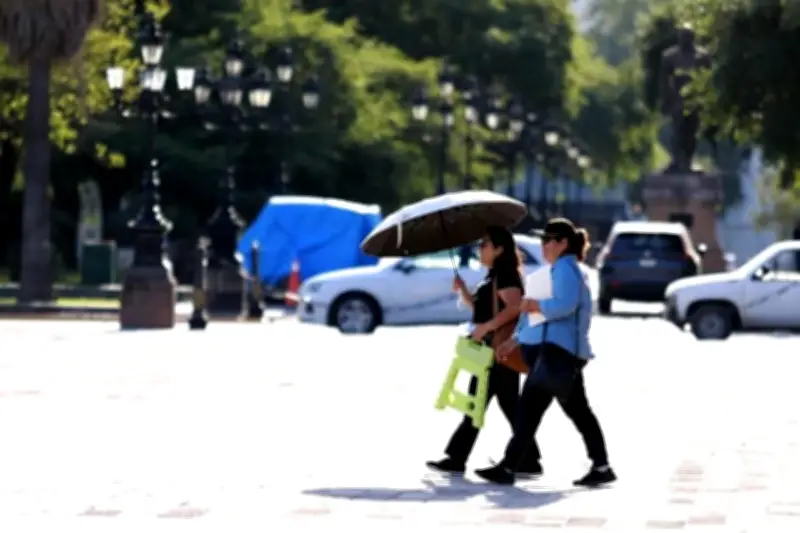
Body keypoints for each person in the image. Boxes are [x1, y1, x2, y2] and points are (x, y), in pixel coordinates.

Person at [474, 218, 616, 487]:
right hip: (555, 354)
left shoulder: (566, 270)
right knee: (575, 411)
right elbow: (535, 318)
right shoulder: (554, 270)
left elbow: (564, 306)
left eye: (548, 240)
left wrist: (533, 305)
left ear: (563, 243)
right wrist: (515, 340)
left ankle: (509, 467)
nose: (543, 245)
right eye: (542, 240)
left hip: (558, 354)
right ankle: (601, 466)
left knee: (529, 409)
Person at [427, 226, 543, 476]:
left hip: (496, 349)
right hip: (489, 349)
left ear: (499, 249)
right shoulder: (494, 276)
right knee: (491, 403)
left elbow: (514, 308)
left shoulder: (505, 276)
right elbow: (484, 310)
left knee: (488, 403)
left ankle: (459, 456)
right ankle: (526, 458)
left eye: (485, 244)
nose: (480, 248)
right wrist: (464, 292)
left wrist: (486, 328)